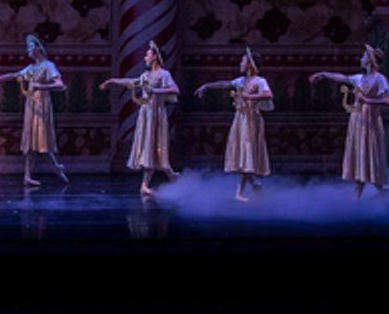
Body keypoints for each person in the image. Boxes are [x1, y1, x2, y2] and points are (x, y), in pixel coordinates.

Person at [310, 43, 389, 198]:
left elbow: (387, 100)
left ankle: (380, 192)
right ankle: (364, 196)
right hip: (358, 121)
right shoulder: (360, 78)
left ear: (369, 60)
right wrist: (323, 73)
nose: (360, 58)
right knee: (360, 156)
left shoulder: (379, 79)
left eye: (363, 56)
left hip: (371, 123)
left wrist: (367, 100)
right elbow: (343, 78)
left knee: (370, 155)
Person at [100, 40, 180, 197]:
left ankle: (170, 177)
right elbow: (131, 82)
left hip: (157, 115)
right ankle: (154, 182)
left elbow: (175, 89)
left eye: (147, 54)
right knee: (149, 147)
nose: (145, 57)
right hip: (146, 115)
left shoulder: (164, 74)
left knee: (157, 147)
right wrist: (112, 81)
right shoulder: (145, 75)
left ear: (155, 57)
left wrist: (155, 90)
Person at [194, 47, 273, 202]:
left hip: (252, 120)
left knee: (248, 153)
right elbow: (226, 84)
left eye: (243, 60)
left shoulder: (260, 81)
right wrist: (207, 86)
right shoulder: (241, 81)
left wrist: (248, 96)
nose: (240, 63)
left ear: (250, 64)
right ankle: (253, 185)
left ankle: (241, 192)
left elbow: (268, 94)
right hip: (241, 119)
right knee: (244, 154)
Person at [0, 34, 69, 186]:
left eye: (30, 47)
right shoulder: (31, 68)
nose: (28, 50)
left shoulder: (48, 66)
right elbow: (15, 75)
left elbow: (60, 85)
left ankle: (56, 167)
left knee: (42, 139)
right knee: (30, 141)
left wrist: (41, 86)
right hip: (31, 105)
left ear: (38, 48)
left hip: (42, 104)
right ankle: (29, 175)